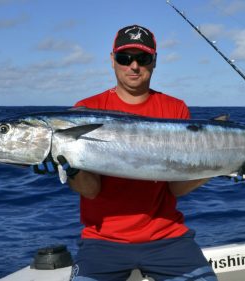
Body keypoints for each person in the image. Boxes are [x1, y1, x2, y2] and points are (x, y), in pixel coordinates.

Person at [41, 24, 218, 281]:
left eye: (142, 58)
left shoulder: (175, 108)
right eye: (125, 58)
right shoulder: (85, 110)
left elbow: (176, 188)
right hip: (102, 242)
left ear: (154, 62)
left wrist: (221, 167)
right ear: (112, 60)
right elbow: (90, 190)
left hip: (168, 238)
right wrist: (72, 167)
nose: (133, 66)